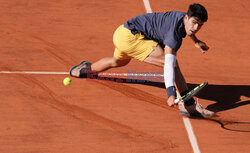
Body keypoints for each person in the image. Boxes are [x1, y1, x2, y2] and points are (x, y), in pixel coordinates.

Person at [70, 3, 215, 118]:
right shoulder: (173, 36)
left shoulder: (182, 18)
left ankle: (83, 70)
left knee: (116, 62)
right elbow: (169, 65)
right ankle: (188, 104)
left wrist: (195, 41)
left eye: (200, 25)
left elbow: (188, 29)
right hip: (132, 38)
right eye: (194, 23)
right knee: (170, 62)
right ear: (186, 18)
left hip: (122, 33)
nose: (196, 28)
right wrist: (170, 93)